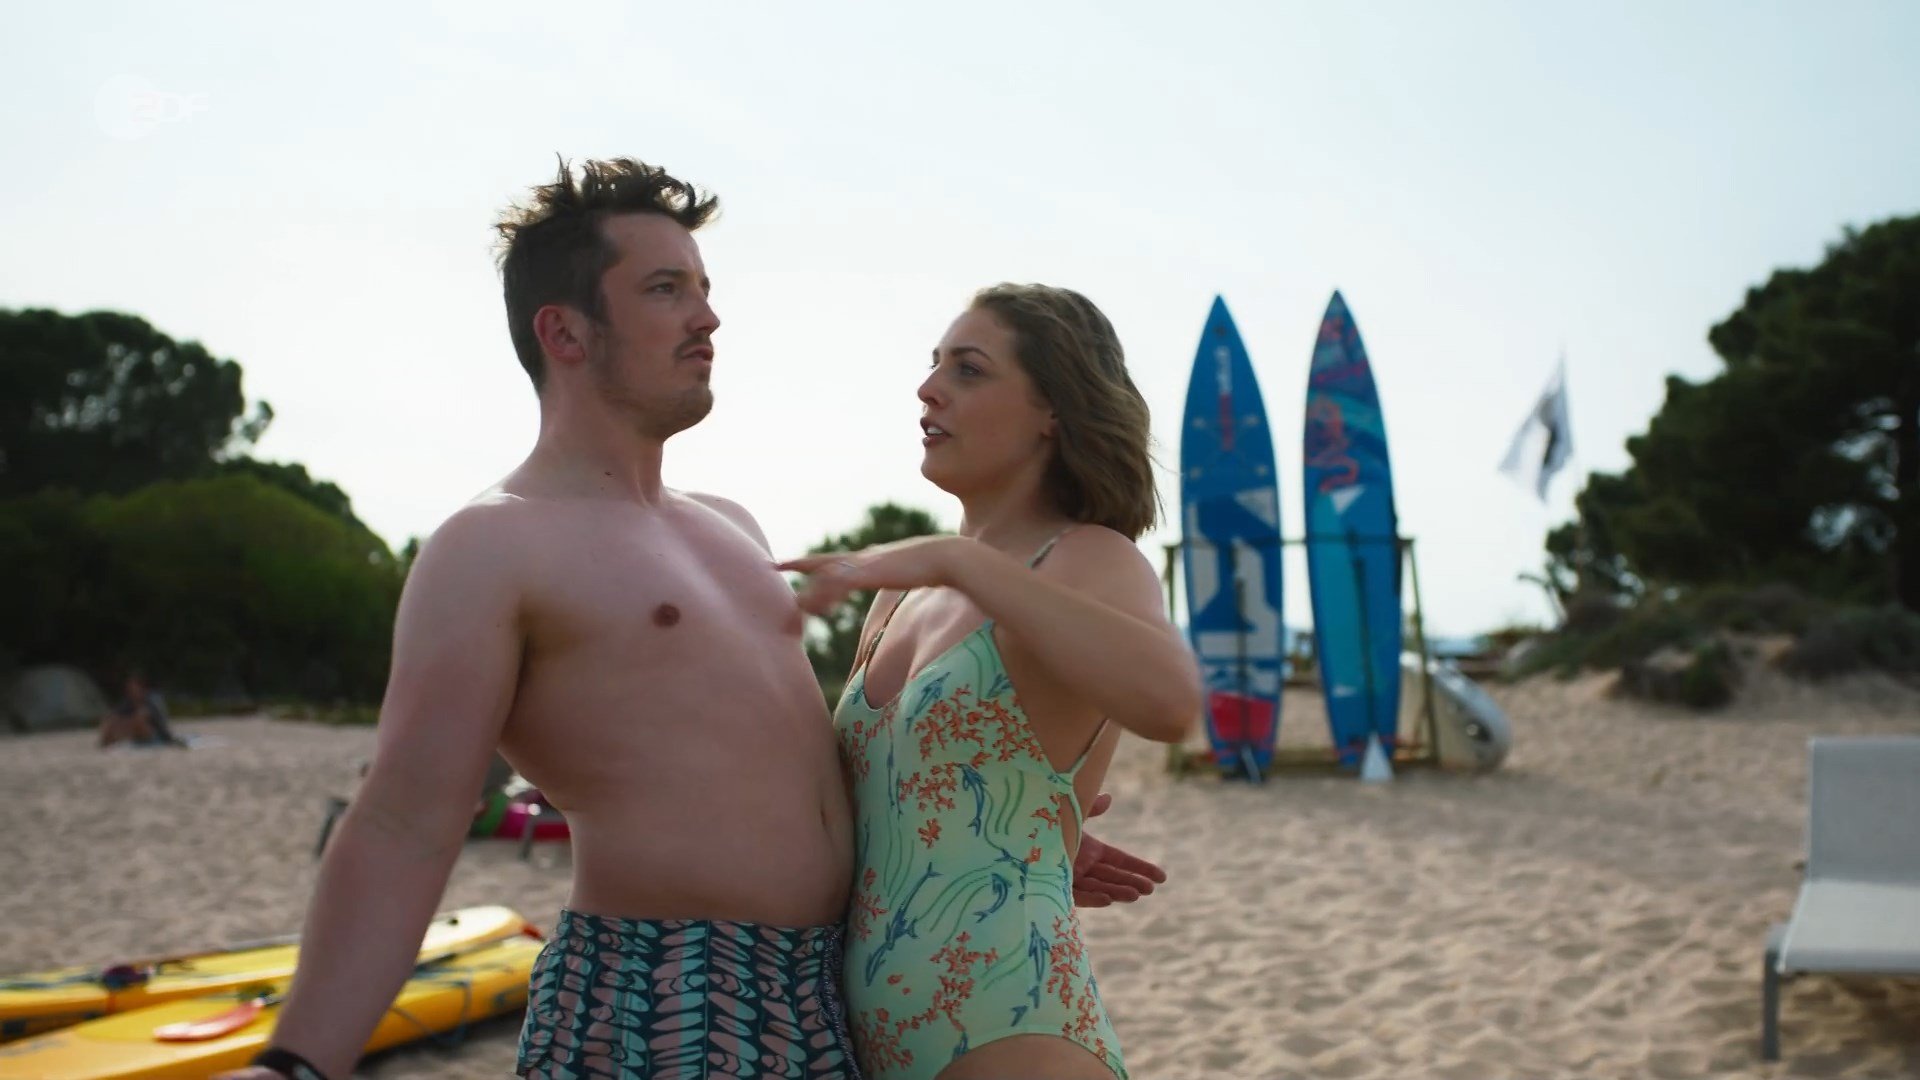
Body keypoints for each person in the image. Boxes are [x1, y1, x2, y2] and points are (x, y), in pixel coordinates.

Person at [214, 158, 1162, 1080]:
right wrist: (298, 1062)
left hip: (823, 1002)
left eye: (704, 289)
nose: (707, 316)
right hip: (664, 992)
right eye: (665, 289)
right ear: (565, 331)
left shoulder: (734, 531)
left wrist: (981, 828)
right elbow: (405, 822)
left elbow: (794, 767)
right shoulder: (492, 545)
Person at [781, 284, 1201, 1079]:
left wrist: (959, 559)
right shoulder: (898, 595)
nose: (928, 388)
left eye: (968, 370)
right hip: (877, 1040)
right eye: (934, 364)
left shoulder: (1088, 558)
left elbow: (1172, 705)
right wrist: (1020, 832)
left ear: (1053, 411)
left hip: (1014, 1030)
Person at [96, 669, 185, 748]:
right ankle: (106, 743)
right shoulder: (129, 701)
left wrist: (125, 722)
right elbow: (115, 715)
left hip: (159, 735)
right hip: (138, 734)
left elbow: (149, 718)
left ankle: (117, 740)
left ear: (142, 687)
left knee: (139, 717)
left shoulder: (152, 699)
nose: (130, 690)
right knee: (111, 719)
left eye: (133, 687)